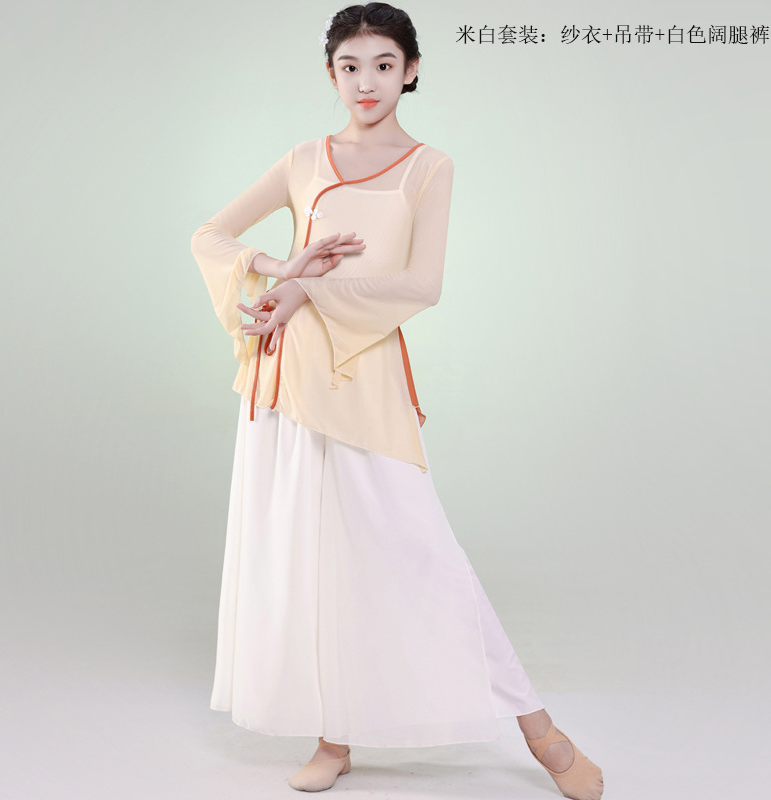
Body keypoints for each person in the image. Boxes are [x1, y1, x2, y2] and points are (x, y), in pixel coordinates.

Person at [189, 3, 604, 798]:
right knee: (313, 559)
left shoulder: (428, 167)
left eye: (384, 64)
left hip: (367, 379)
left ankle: (540, 731)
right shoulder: (303, 159)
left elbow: (421, 285)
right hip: (288, 381)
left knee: (424, 554)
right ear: (331, 74)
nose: (367, 81)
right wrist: (281, 268)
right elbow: (210, 237)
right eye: (350, 66)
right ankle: (333, 736)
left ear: (410, 70)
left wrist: (309, 290)